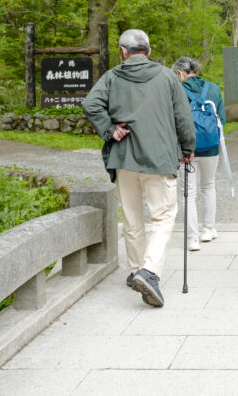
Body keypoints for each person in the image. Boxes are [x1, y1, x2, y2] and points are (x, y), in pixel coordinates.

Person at [82, 29, 196, 308]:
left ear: (123, 51)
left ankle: (136, 270)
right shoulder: (167, 76)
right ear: (149, 49)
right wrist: (188, 148)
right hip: (159, 158)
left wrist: (110, 129)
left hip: (124, 159)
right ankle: (149, 272)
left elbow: (90, 103)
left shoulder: (112, 77)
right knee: (163, 216)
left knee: (132, 218)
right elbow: (182, 116)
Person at [173, 56, 226, 251]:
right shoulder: (213, 88)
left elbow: (175, 121)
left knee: (189, 192)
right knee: (209, 186)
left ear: (180, 73)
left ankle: (192, 238)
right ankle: (208, 229)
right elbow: (222, 119)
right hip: (212, 148)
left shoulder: (177, 89)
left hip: (188, 150)